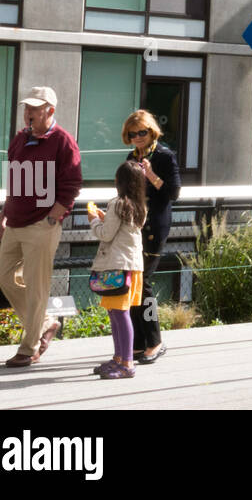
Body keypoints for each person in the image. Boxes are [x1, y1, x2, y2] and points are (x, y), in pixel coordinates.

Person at [0, 86, 83, 369]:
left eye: (34, 108)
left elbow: (71, 185)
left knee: (36, 288)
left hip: (41, 224)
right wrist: (3, 215)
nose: (28, 113)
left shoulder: (63, 141)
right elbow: (13, 180)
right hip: (15, 221)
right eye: (27, 107)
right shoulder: (20, 139)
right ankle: (46, 322)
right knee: (5, 278)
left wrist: (52, 218)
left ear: (50, 111)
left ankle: (29, 347)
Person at [121, 110, 180, 364]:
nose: (137, 138)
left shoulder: (164, 156)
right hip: (134, 227)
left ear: (151, 131)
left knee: (142, 283)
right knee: (133, 282)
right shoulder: (130, 157)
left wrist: (151, 176)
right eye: (132, 134)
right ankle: (138, 342)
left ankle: (154, 341)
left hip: (155, 226)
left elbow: (174, 193)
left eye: (141, 133)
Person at [90, 161, 148, 379]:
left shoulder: (116, 203)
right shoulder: (137, 205)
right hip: (132, 267)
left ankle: (126, 363)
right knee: (117, 313)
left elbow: (106, 234)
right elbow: (121, 230)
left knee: (120, 315)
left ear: (119, 181)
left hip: (117, 267)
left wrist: (94, 220)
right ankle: (119, 359)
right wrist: (105, 219)